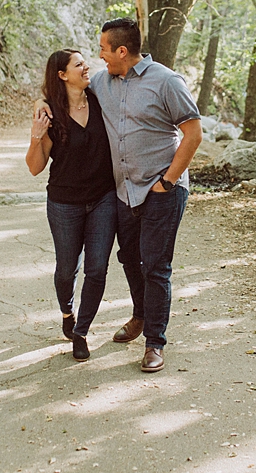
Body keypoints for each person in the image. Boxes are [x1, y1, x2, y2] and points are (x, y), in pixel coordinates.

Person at [37, 18, 202, 373]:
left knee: (156, 266)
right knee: (130, 258)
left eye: (103, 50)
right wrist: (43, 106)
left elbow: (193, 134)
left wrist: (169, 182)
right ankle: (140, 315)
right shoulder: (100, 83)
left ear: (121, 51)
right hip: (124, 192)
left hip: (162, 188)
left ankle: (154, 343)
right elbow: (64, 91)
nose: (98, 57)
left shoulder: (167, 81)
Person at [26, 49, 118, 361]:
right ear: (62, 75)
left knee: (97, 269)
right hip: (64, 203)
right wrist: (36, 137)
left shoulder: (99, 98)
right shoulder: (50, 113)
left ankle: (81, 331)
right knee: (67, 268)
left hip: (104, 198)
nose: (86, 66)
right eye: (78, 64)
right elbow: (35, 167)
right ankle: (67, 311)